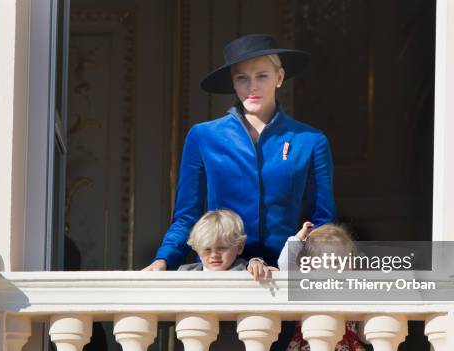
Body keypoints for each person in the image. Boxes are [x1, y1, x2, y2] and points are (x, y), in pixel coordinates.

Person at [143, 33, 338, 271]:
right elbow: (186, 216)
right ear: (233, 83)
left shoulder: (310, 141)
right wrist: (164, 258)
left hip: (284, 274)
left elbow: (323, 222)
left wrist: (311, 269)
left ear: (279, 77)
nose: (252, 86)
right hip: (221, 277)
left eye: (262, 76)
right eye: (242, 78)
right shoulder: (203, 137)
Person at [168, 209, 276, 351]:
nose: (214, 255)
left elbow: (256, 271)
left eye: (222, 248)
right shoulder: (185, 274)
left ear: (240, 246)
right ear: (196, 248)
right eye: (206, 249)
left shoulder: (246, 271)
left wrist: (258, 262)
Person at [271, 223, 372, 351]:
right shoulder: (308, 286)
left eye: (346, 261)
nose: (340, 268)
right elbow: (286, 267)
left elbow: (364, 336)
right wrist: (297, 241)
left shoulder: (352, 292)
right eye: (333, 262)